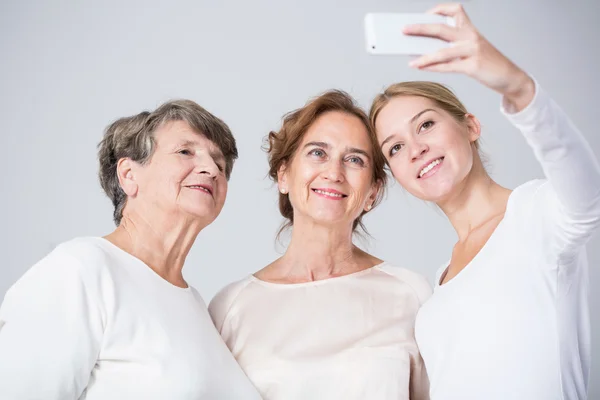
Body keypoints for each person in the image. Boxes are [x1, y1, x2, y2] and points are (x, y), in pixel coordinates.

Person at [369, 3, 600, 399]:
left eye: (426, 124)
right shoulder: (438, 284)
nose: (416, 150)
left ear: (470, 126)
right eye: (395, 148)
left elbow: (588, 196)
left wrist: (518, 88)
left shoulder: (535, 213)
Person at [0, 100, 260, 399]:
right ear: (129, 175)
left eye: (220, 163)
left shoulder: (198, 307)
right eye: (185, 152)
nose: (211, 169)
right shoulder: (80, 269)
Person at [209, 90, 432, 400]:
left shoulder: (411, 294)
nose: (334, 172)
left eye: (355, 159)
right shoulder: (230, 308)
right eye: (318, 153)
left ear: (372, 192)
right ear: (284, 175)